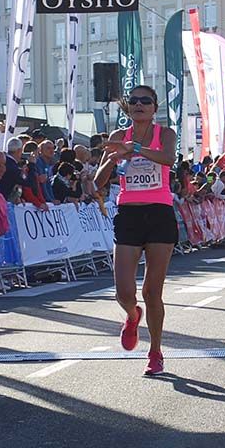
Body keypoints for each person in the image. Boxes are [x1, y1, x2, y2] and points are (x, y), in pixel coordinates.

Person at [95, 85, 178, 376]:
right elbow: (97, 182)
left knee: (152, 291)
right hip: (128, 214)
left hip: (159, 214)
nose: (139, 104)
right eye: (134, 101)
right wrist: (114, 158)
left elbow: (168, 159)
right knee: (124, 291)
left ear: (155, 107)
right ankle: (132, 316)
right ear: (128, 108)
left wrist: (137, 150)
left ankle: (155, 352)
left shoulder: (165, 134)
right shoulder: (118, 138)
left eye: (146, 101)